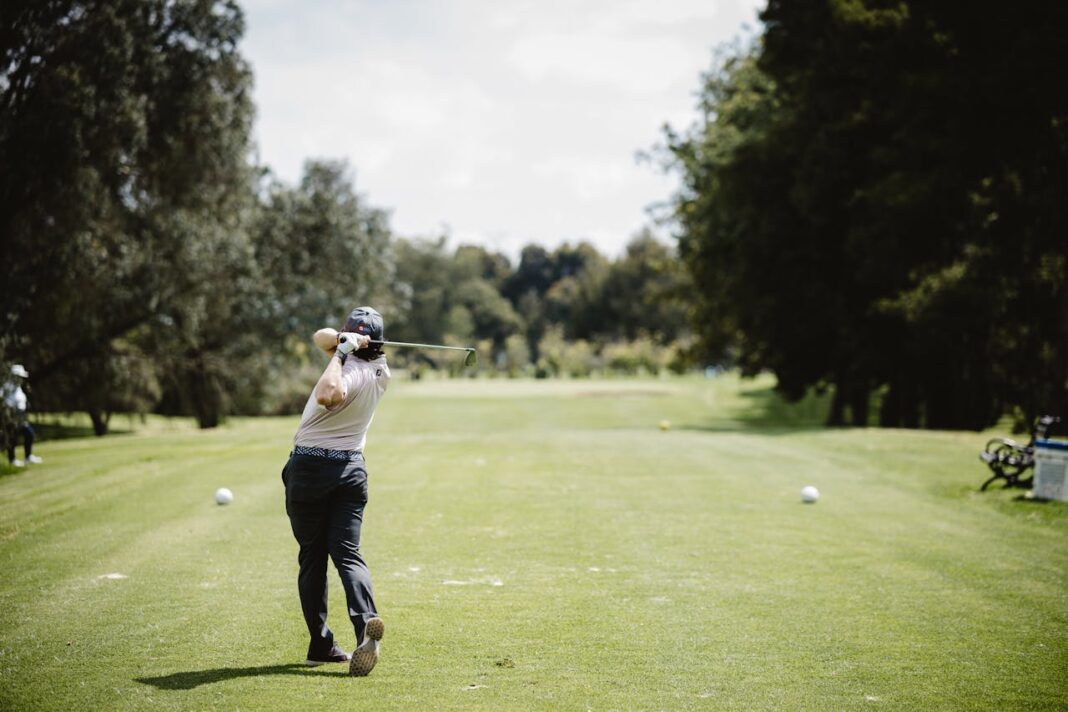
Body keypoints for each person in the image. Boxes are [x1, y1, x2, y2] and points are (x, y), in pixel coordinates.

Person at [281, 306, 391, 677]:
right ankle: (365, 625)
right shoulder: (381, 369)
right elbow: (319, 337)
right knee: (347, 552)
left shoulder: (351, 372)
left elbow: (329, 393)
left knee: (313, 558)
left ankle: (321, 645)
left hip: (311, 470)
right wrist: (343, 342)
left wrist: (341, 351)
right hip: (351, 470)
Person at [3, 364, 42, 468]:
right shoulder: (7, 388)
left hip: (21, 416)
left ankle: (28, 457)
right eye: (19, 376)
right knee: (12, 439)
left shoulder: (18, 387)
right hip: (12, 417)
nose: (21, 379)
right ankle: (12, 460)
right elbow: (5, 405)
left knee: (29, 434)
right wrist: (10, 418)